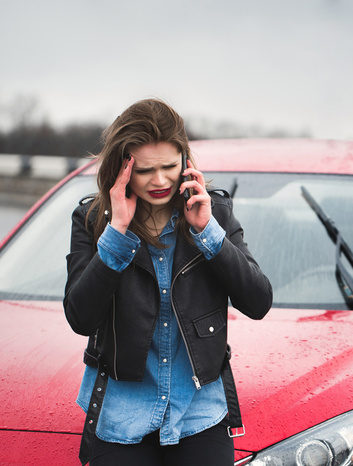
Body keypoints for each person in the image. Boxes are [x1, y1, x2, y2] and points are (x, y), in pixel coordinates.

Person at [63, 98, 273, 465]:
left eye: (169, 167)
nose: (160, 181)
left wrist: (207, 231)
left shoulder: (215, 212)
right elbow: (80, 317)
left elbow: (258, 302)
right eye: (145, 170)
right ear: (121, 169)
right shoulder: (92, 220)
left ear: (186, 163)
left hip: (199, 414)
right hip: (122, 418)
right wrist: (117, 233)